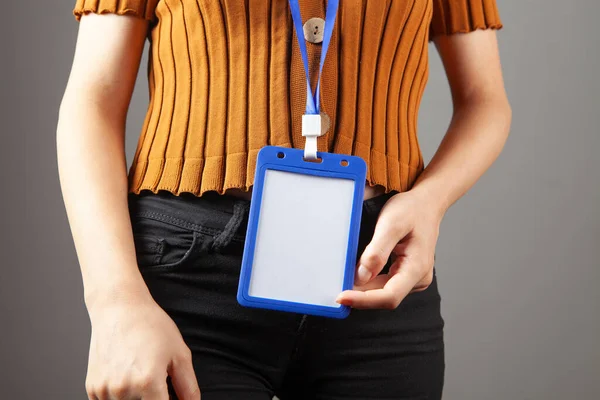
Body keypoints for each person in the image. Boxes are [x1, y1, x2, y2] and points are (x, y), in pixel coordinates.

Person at [58, 0, 511, 399]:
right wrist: (114, 300)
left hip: (377, 266)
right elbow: (92, 102)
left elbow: (484, 100)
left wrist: (429, 201)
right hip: (187, 275)